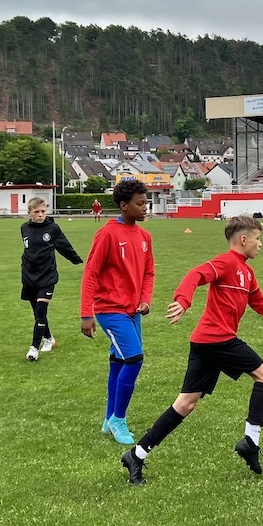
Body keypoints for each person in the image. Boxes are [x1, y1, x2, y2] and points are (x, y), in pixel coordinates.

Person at [119, 215, 263, 485]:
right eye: (257, 239)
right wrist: (183, 300)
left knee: (186, 404)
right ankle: (251, 442)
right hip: (218, 340)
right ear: (243, 239)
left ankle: (136, 455)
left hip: (205, 342)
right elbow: (196, 274)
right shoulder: (227, 262)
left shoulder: (247, 272)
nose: (260, 244)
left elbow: (261, 304)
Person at [80, 180, 155, 446]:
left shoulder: (145, 237)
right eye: (140, 203)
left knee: (119, 362)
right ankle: (118, 420)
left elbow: (149, 273)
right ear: (124, 206)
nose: (145, 207)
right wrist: (86, 313)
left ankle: (108, 418)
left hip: (133, 311)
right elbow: (91, 273)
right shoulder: (107, 234)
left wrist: (145, 300)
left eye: (146, 202)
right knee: (134, 359)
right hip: (110, 309)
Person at [20, 197, 83, 362]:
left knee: (41, 311)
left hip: (47, 276)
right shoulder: (24, 228)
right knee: (37, 313)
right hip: (29, 276)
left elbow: (64, 246)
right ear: (29, 213)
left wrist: (78, 261)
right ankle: (48, 338)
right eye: (36, 212)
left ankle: (34, 349)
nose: (40, 214)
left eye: (43, 211)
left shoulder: (52, 229)